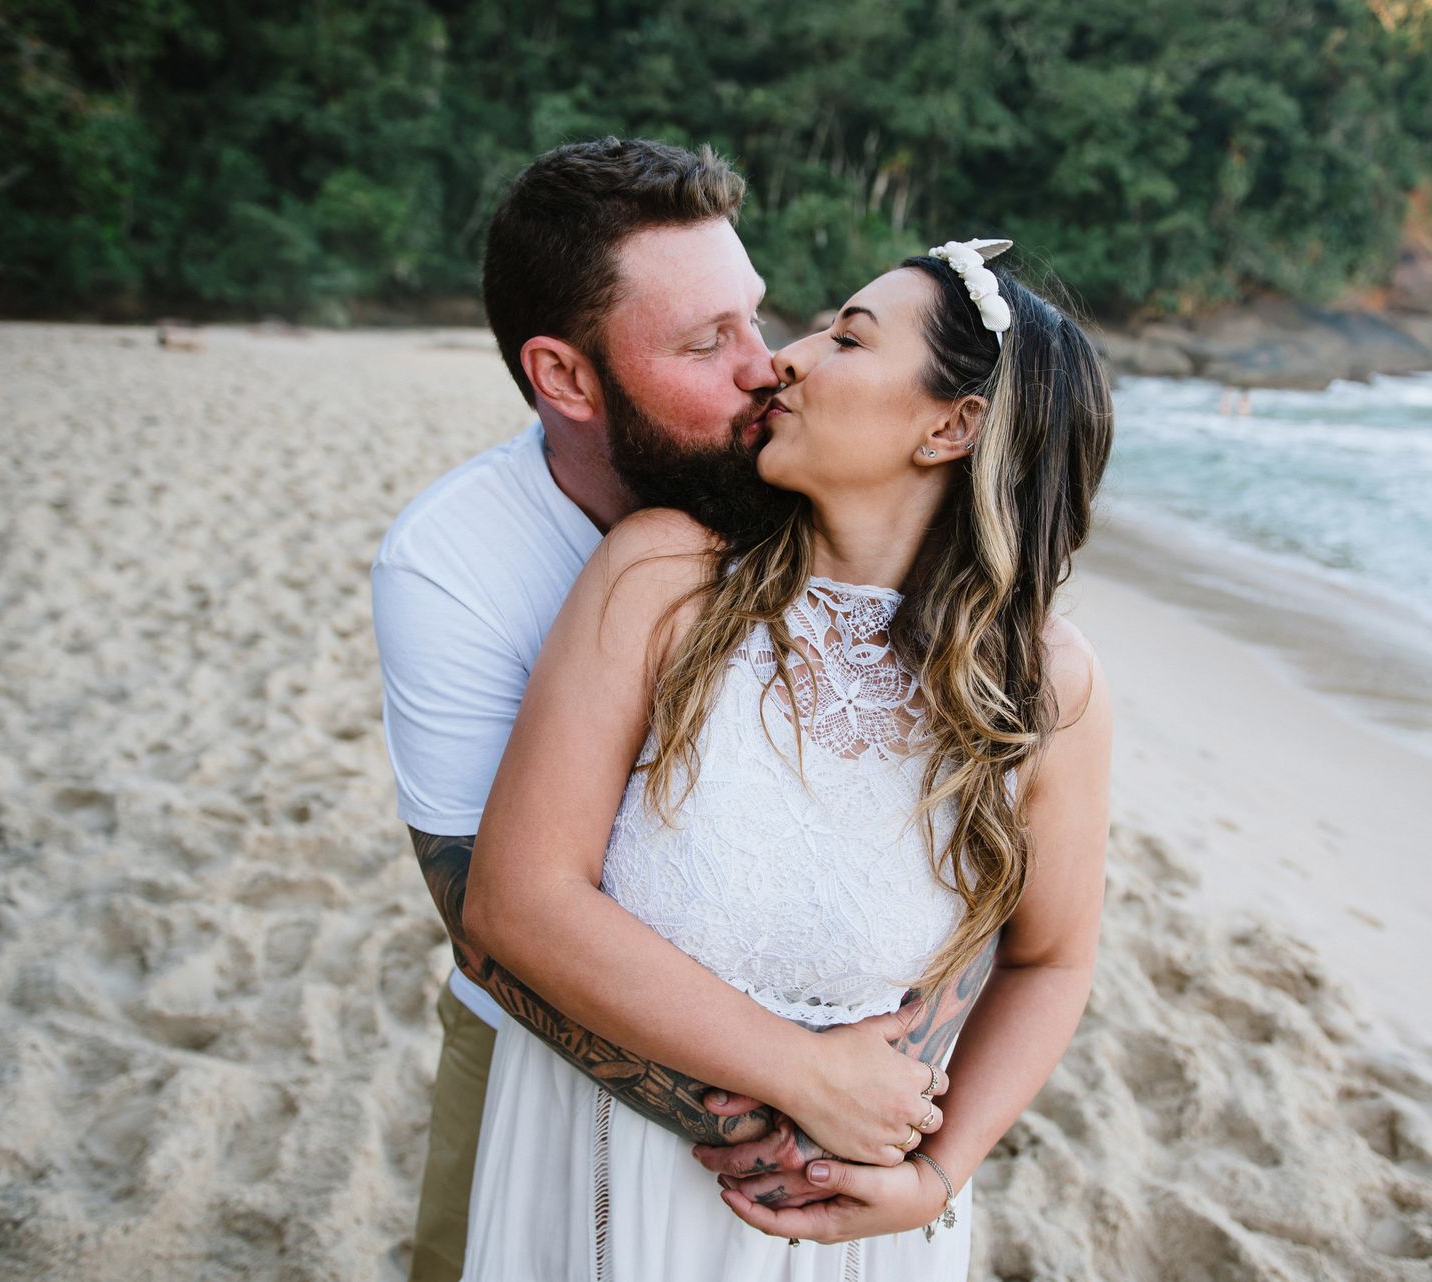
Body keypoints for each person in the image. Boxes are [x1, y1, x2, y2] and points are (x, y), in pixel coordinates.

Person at [372, 138, 985, 1282]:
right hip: (545, 1060)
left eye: (757, 317)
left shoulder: (795, 482)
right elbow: (489, 920)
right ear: (565, 378)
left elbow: (961, 816)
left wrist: (887, 1107)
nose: (767, 367)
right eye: (708, 342)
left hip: (845, 1085)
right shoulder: (453, 562)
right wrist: (791, 1104)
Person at [460, 239, 1116, 1278]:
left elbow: (1051, 959)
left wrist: (933, 1178)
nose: (786, 360)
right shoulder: (664, 577)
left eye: (848, 339)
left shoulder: (1041, 685)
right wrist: (805, 1073)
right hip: (608, 1171)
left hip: (850, 1228)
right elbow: (515, 899)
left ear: (953, 426)